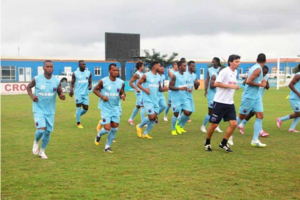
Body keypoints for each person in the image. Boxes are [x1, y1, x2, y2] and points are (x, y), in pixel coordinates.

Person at [28, 60, 65, 159]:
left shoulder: (56, 80)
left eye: (51, 67)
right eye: (47, 67)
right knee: (41, 130)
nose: (49, 68)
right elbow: (28, 87)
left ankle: (42, 151)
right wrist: (32, 97)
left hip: (50, 110)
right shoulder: (37, 79)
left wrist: (61, 96)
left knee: (47, 132)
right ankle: (36, 141)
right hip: (38, 108)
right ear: (43, 68)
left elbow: (59, 92)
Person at [204, 55, 240, 153]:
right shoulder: (224, 71)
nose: (238, 63)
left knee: (233, 123)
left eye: (238, 61)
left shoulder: (235, 72)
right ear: (230, 62)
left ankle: (223, 143)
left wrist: (234, 86)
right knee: (214, 125)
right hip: (219, 102)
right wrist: (231, 86)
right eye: (236, 61)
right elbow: (216, 83)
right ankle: (207, 142)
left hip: (230, 103)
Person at [236, 53, 267, 147]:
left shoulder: (255, 68)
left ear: (257, 59)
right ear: (265, 61)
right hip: (249, 96)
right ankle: (228, 134)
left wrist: (262, 81)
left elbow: (246, 80)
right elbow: (248, 82)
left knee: (260, 115)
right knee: (242, 116)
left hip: (256, 95)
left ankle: (255, 140)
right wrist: (260, 85)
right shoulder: (257, 69)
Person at [93, 63, 125, 153]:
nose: (115, 72)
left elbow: (122, 92)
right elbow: (94, 90)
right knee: (107, 128)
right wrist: (102, 97)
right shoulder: (103, 81)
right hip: (105, 108)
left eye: (117, 70)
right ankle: (99, 134)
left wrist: (123, 95)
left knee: (114, 128)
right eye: (113, 70)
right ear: (109, 71)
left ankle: (107, 147)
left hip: (115, 108)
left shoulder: (121, 82)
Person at [237, 65, 270, 137]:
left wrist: (265, 84)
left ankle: (259, 132)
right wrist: (257, 83)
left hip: (258, 98)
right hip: (249, 96)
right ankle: (236, 125)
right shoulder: (255, 75)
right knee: (243, 115)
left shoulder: (265, 77)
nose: (264, 74)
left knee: (258, 114)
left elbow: (267, 86)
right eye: (263, 73)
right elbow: (245, 82)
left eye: (266, 73)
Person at [136, 61, 163, 139]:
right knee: (151, 117)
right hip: (148, 100)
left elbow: (160, 88)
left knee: (154, 118)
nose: (160, 67)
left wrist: (165, 89)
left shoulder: (159, 77)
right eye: (159, 66)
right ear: (155, 67)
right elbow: (138, 84)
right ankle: (139, 126)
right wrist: (145, 90)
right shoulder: (146, 75)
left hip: (155, 100)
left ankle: (145, 134)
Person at [169, 61, 192, 136]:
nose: (186, 67)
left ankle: (178, 124)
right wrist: (180, 88)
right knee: (176, 114)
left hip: (184, 97)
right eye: (184, 66)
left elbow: (184, 85)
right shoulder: (174, 75)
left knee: (188, 112)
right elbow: (170, 87)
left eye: (186, 66)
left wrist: (187, 89)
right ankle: (173, 129)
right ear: (179, 67)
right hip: (176, 98)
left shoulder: (186, 75)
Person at [201, 57, 223, 133]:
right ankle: (203, 126)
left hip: (219, 93)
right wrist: (205, 90)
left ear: (217, 62)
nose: (212, 63)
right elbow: (207, 80)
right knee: (211, 112)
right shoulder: (209, 69)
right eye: (212, 61)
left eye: (214, 62)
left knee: (220, 111)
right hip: (211, 93)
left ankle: (217, 126)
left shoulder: (221, 69)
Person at [277, 64, 300, 132]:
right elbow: (290, 84)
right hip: (294, 98)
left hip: (298, 98)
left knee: (298, 114)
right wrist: (298, 93)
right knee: (298, 113)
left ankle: (291, 128)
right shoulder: (298, 75)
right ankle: (280, 119)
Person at [69, 60, 92, 128]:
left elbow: (90, 82)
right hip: (78, 93)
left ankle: (77, 115)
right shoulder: (75, 73)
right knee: (78, 108)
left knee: (86, 109)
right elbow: (72, 83)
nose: (84, 66)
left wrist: (90, 86)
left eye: (85, 64)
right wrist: (71, 90)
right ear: (79, 65)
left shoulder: (88, 73)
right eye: (82, 64)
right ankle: (78, 123)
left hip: (85, 94)